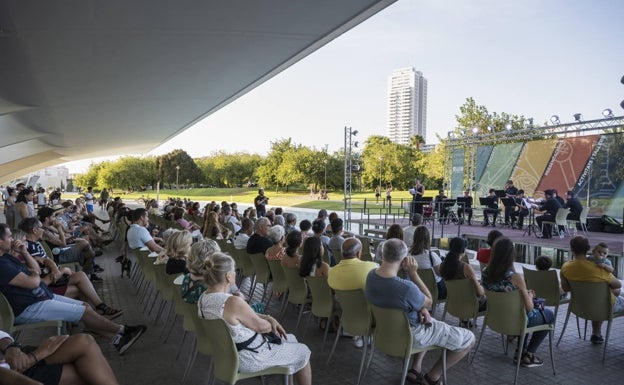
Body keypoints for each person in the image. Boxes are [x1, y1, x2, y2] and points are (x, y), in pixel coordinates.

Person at [0, 224, 146, 355]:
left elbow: (36, 269)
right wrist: (35, 275)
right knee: (85, 310)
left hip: (39, 297)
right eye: (9, 237)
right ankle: (123, 330)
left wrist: (25, 253)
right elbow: (33, 281)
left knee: (85, 306)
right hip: (29, 307)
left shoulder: (7, 257)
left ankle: (118, 339)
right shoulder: (2, 265)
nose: (13, 239)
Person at [365, 239, 474, 384]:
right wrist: (413, 273)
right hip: (411, 336)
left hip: (384, 334)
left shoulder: (371, 276)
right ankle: (433, 377)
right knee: (469, 339)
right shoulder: (407, 288)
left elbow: (399, 298)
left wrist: (421, 308)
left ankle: (415, 369)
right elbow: (429, 300)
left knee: (428, 321)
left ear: (382, 254)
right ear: (404, 259)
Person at [197, 252, 312, 385]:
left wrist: (267, 317)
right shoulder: (232, 302)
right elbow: (264, 327)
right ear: (228, 276)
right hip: (251, 356)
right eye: (233, 271)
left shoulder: (203, 298)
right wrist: (270, 320)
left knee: (291, 339)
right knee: (303, 350)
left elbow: (242, 317)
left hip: (229, 355)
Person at [19, 218, 122, 319]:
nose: (44, 230)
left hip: (51, 278)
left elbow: (45, 261)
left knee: (82, 278)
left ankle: (96, 314)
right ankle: (97, 313)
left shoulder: (34, 244)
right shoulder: (29, 248)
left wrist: (57, 268)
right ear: (34, 230)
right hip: (48, 285)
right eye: (41, 228)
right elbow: (41, 272)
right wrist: (63, 270)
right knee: (82, 282)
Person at [481, 237, 554, 367]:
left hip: (495, 318)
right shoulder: (515, 277)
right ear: (511, 255)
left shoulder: (485, 273)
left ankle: (520, 352)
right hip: (517, 319)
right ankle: (528, 354)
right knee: (548, 315)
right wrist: (529, 295)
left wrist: (525, 293)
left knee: (521, 313)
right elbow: (530, 308)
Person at [560, 236, 624, 344]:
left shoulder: (565, 267)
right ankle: (596, 333)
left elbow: (566, 288)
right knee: (604, 297)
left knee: (599, 297)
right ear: (589, 248)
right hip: (602, 307)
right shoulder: (599, 268)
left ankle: (596, 334)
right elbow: (617, 285)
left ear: (571, 249)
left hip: (579, 307)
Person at [0, 330, 120, 385]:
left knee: (83, 341)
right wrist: (35, 357)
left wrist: (10, 346)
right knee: (87, 372)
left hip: (12, 358)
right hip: (8, 374)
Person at [328, 237, 378, 349]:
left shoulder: (332, 272)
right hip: (369, 317)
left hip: (347, 317)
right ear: (359, 252)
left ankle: (358, 335)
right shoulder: (371, 267)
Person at [36, 207, 101, 282]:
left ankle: (88, 276)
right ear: (47, 218)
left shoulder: (47, 229)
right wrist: (59, 228)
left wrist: (71, 238)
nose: (55, 218)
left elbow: (60, 237)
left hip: (60, 251)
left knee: (90, 253)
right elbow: (62, 244)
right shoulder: (45, 232)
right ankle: (86, 276)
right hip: (59, 256)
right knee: (85, 244)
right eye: (53, 216)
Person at [439, 237, 486, 322]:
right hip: (470, 305)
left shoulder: (442, 266)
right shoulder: (465, 267)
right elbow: (479, 293)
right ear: (463, 250)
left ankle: (464, 320)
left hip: (453, 303)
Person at [409, 226, 446, 300]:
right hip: (433, 291)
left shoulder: (407, 254)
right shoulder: (432, 256)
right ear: (428, 239)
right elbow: (440, 273)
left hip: (414, 290)